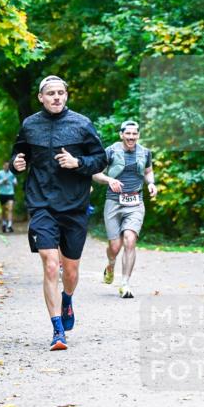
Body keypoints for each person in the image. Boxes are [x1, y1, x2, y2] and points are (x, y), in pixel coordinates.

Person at [10, 75, 107, 350]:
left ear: (66, 95)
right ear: (41, 97)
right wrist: (15, 164)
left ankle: (67, 299)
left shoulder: (81, 124)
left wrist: (78, 162)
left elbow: (101, 159)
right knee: (50, 263)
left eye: (61, 93)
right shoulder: (30, 125)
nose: (56, 97)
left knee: (71, 271)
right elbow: (19, 156)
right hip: (41, 204)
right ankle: (57, 331)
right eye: (50, 93)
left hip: (74, 205)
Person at [92, 120, 157, 299]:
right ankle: (110, 264)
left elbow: (148, 171)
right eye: (127, 134)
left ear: (138, 135)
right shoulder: (111, 151)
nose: (131, 137)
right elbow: (96, 174)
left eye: (134, 134)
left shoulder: (145, 152)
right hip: (113, 202)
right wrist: (109, 180)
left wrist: (151, 184)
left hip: (136, 202)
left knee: (130, 240)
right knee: (115, 246)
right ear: (121, 135)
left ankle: (125, 283)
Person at [0, 161, 17, 232]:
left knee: (10, 209)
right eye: (5, 165)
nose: (7, 167)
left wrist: (14, 182)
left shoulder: (12, 173)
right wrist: (2, 181)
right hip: (2, 194)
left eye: (8, 165)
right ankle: (4, 224)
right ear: (3, 166)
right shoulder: (0, 173)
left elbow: (15, 182)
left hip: (10, 193)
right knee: (4, 210)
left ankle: (9, 225)